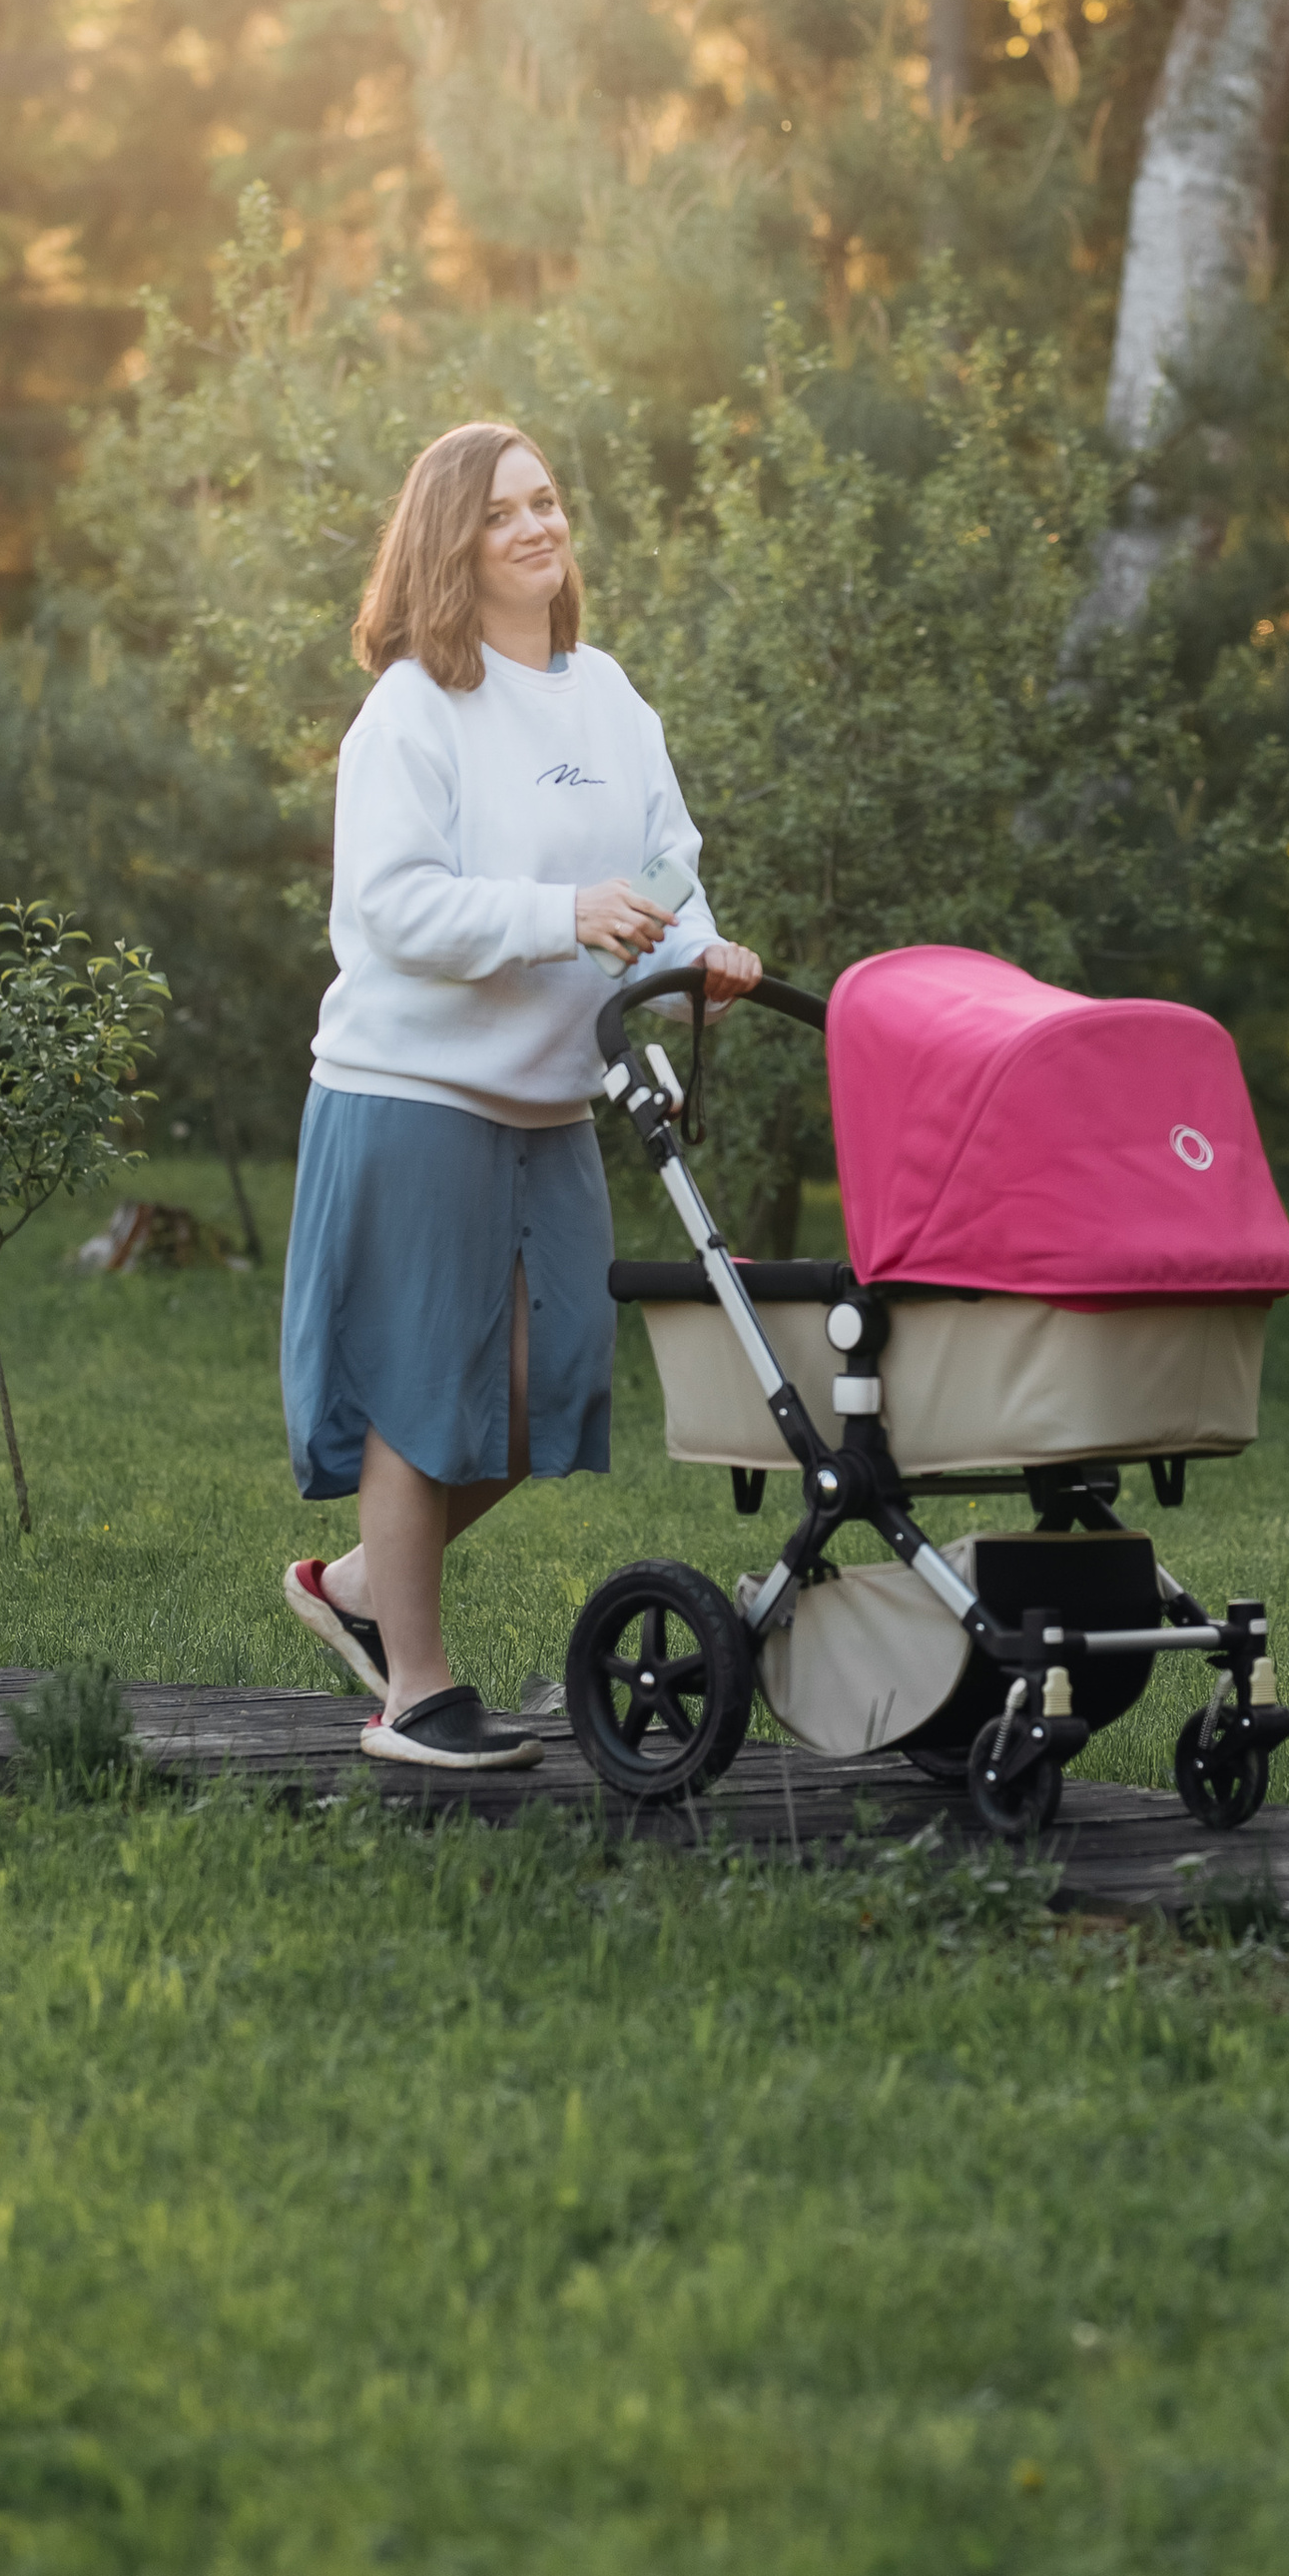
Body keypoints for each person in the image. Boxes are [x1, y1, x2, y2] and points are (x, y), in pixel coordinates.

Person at [277, 421, 762, 1769]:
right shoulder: (413, 709)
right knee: (427, 1383)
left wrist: (697, 952)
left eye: (549, 499)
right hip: (414, 1088)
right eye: (504, 513)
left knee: (550, 1381)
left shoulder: (606, 694)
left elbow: (662, 864)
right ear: (453, 543)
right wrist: (565, 912)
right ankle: (417, 1697)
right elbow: (393, 905)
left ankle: (368, 1587)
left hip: (550, 1100)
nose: (540, 526)